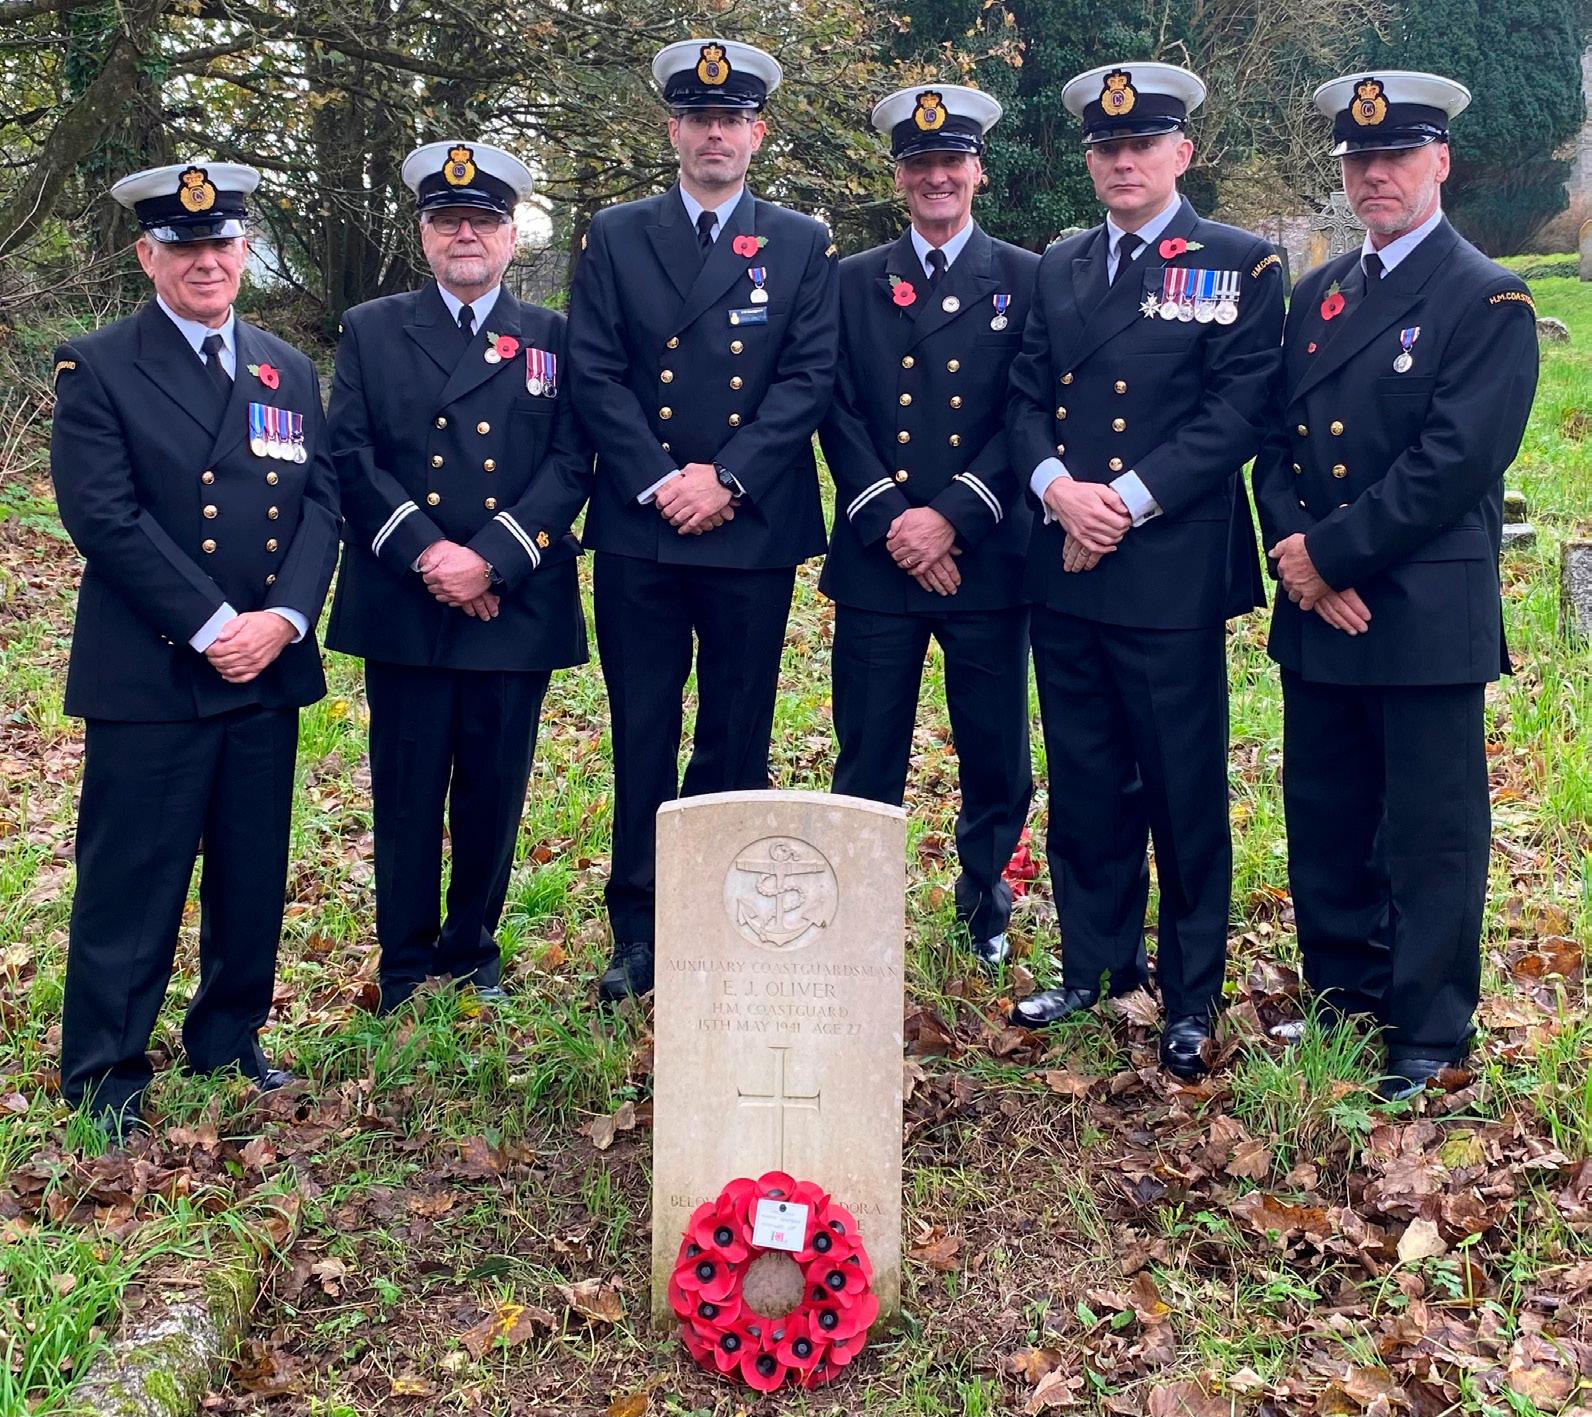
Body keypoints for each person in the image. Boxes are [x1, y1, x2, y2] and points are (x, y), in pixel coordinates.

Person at [1252, 72, 1538, 1100]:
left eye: (1395, 155)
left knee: (1429, 832)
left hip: (1419, 609)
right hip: (1320, 606)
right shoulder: (1320, 294)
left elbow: (1453, 461)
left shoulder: (1488, 296)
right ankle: (1343, 996)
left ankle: (1426, 1026)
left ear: (1439, 161)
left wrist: (1329, 557)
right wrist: (1296, 555)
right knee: (1326, 814)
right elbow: (1273, 444)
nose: (1374, 174)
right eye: (1358, 159)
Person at [1004, 63, 1284, 1078]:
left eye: (1142, 144)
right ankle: (1093, 964)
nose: (1123, 161)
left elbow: (1236, 411)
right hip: (1064, 560)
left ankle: (1190, 990)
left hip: (1166, 567)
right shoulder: (1060, 265)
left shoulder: (1239, 264)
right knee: (1084, 778)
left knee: (1179, 784)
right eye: (1107, 147)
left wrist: (1118, 502)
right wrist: (1055, 490)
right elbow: (1022, 398)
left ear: (1181, 152)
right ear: (1090, 160)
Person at [50, 161, 339, 1139]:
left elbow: (321, 503)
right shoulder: (98, 366)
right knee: (134, 879)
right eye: (183, 246)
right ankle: (105, 1071)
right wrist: (217, 627)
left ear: (244, 250)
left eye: (221, 243)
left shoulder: (284, 367)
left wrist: (284, 619)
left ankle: (229, 1034)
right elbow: (104, 516)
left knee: (252, 869)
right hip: (156, 667)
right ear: (148, 255)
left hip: (266, 665)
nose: (205, 261)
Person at [568, 39, 839, 1004]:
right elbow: (593, 371)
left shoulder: (802, 242)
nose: (715, 134)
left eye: (732, 120)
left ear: (757, 135)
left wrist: (724, 477)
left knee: (736, 728)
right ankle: (639, 928)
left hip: (749, 524)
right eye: (699, 118)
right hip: (641, 526)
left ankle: (721, 915)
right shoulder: (615, 234)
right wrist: (660, 480)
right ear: (673, 130)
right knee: (642, 728)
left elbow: (809, 377)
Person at [325, 140, 591, 1016]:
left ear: (513, 236)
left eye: (483, 221)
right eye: (448, 221)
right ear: (423, 236)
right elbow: (350, 456)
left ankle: (474, 950)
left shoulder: (554, 336)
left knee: (493, 786)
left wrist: (493, 558)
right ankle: (404, 962)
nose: (465, 235)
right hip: (406, 594)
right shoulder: (372, 328)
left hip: (512, 598)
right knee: (406, 788)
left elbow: (573, 459)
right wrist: (432, 555)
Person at [818, 83, 1036, 972]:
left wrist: (951, 519)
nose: (936, 177)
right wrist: (894, 522)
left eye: (951, 161)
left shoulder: (1026, 277)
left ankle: (985, 900)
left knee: (995, 751)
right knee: (868, 745)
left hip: (985, 553)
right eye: (919, 164)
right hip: (880, 557)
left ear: (977, 171)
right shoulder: (848, 280)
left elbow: (1029, 410)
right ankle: (858, 907)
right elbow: (833, 408)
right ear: (899, 175)